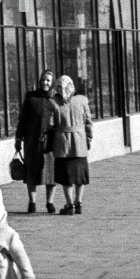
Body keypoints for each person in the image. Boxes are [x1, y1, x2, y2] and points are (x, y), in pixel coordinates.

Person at [14, 70, 59, 213]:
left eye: (48, 80)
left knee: (51, 173)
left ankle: (49, 202)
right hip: (31, 141)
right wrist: (18, 138)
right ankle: (32, 202)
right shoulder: (31, 97)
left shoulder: (56, 98)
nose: (45, 83)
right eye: (43, 80)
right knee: (31, 171)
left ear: (52, 83)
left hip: (50, 143)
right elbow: (22, 120)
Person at [50, 75, 92, 215]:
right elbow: (88, 122)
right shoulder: (82, 100)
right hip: (80, 142)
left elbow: (50, 124)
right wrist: (88, 138)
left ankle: (69, 205)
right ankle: (78, 202)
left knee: (66, 177)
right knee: (80, 176)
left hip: (63, 145)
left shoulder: (54, 102)